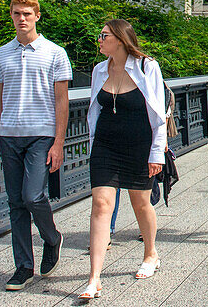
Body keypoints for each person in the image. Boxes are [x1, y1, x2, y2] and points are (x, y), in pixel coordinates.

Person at [0, 0, 71, 292]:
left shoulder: (55, 52)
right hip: (9, 135)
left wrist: (58, 142)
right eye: (16, 13)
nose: (21, 18)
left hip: (41, 134)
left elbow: (62, 101)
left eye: (26, 13)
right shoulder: (0, 54)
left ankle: (51, 237)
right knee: (16, 204)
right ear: (11, 16)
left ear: (37, 16)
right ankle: (23, 267)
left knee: (32, 196)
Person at [80, 20, 168, 300]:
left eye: (103, 35)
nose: (99, 40)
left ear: (119, 39)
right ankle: (94, 278)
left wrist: (157, 153)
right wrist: (92, 147)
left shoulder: (146, 67)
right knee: (100, 204)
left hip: (138, 145)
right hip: (105, 146)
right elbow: (94, 111)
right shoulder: (98, 70)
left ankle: (151, 254)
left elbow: (158, 114)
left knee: (140, 204)